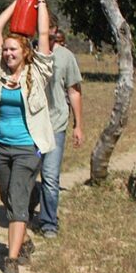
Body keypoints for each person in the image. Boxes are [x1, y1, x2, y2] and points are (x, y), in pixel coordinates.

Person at [0, 0, 54, 273]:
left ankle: (11, 260)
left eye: (15, 49)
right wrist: (16, 3)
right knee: (8, 198)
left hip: (28, 148)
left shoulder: (38, 72)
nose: (10, 53)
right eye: (7, 49)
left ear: (26, 53)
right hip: (0, 145)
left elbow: (42, 36)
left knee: (17, 200)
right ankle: (24, 240)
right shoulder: (1, 71)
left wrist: (39, 2)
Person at [33, 26, 83, 238]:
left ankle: (48, 222)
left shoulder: (66, 57)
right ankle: (27, 205)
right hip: (31, 125)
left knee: (50, 176)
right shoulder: (28, 53)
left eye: (52, 31)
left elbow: (73, 91)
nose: (49, 34)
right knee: (25, 175)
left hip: (56, 125)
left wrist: (78, 124)